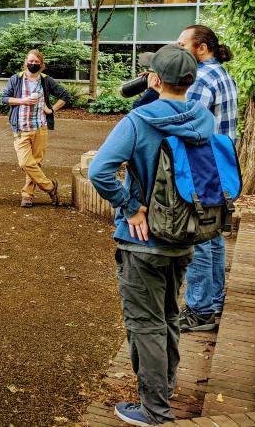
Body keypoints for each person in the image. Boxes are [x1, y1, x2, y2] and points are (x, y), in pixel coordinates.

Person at [89, 44, 215, 425]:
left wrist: (130, 207)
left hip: (143, 241)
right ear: (190, 81)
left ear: (155, 79)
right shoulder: (202, 117)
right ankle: (165, 389)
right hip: (185, 236)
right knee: (169, 316)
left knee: (145, 325)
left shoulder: (139, 120)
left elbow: (100, 171)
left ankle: (154, 410)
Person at [176, 24, 239, 332]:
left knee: (198, 238)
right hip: (221, 167)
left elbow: (187, 124)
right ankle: (214, 302)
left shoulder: (201, 78)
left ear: (200, 48)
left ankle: (199, 310)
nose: (177, 49)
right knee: (212, 236)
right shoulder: (223, 75)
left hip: (202, 168)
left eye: (181, 44)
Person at [0, 49, 70, 207]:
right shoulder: (15, 79)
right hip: (21, 129)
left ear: (41, 65)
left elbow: (65, 95)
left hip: (40, 128)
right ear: (25, 62)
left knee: (35, 163)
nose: (33, 64)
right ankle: (50, 187)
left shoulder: (46, 80)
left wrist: (52, 110)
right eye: (30, 61)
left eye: (36, 62)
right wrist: (23, 101)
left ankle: (27, 195)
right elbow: (4, 98)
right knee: (25, 163)